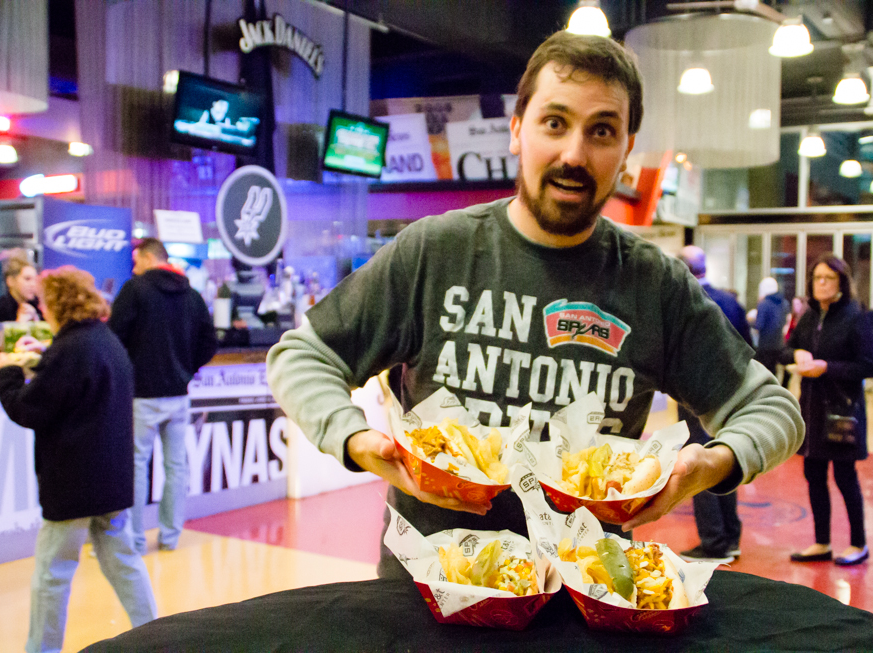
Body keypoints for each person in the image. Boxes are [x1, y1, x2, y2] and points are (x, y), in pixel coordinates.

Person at [267, 30, 803, 578]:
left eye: (601, 131)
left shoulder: (654, 285)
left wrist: (711, 463)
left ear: (625, 151)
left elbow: (774, 410)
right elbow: (302, 356)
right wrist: (356, 440)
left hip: (587, 603)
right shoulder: (436, 251)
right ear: (517, 131)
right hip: (427, 599)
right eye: (555, 122)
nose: (574, 154)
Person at [0, 266, 157, 652]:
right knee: (124, 565)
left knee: (52, 573)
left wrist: (9, 372)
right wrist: (41, 359)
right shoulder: (104, 341)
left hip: (73, 483)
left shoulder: (70, 350)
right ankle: (156, 636)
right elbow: (76, 383)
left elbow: (28, 409)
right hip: (111, 480)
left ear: (58, 304)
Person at [109, 238, 218, 554]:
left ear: (146, 257)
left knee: (137, 465)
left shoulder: (135, 290)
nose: (133, 267)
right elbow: (210, 342)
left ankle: (134, 539)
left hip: (142, 395)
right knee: (176, 466)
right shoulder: (192, 295)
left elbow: (114, 338)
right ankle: (170, 536)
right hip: (178, 394)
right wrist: (186, 368)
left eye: (135, 260)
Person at [785, 254, 873, 566]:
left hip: (841, 411)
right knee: (814, 475)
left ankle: (858, 543)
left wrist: (825, 367)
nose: (821, 284)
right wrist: (796, 352)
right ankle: (821, 541)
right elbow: (787, 347)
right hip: (811, 409)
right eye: (817, 278)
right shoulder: (810, 314)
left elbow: (868, 365)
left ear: (841, 282)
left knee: (845, 477)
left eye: (828, 278)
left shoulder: (855, 316)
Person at [674, 246, 752, 564]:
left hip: (697, 396)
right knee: (723, 458)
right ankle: (730, 536)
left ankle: (714, 541)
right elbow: (748, 347)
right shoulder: (731, 301)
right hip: (730, 393)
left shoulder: (686, 303)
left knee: (699, 463)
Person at [0, 250, 44, 322]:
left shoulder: (39, 307)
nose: (33, 284)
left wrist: (36, 320)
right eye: (27, 279)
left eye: (35, 280)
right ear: (10, 281)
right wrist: (19, 324)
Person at [752, 277, 789, 376]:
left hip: (765, 345)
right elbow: (784, 321)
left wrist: (749, 321)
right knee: (774, 371)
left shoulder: (763, 304)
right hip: (778, 344)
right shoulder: (784, 303)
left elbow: (759, 325)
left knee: (763, 372)